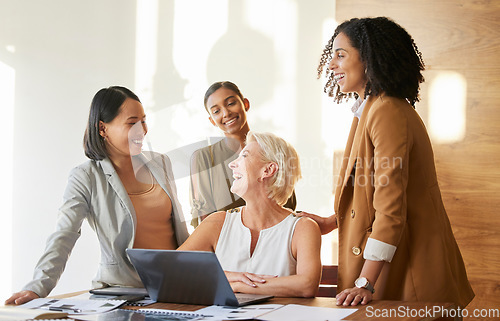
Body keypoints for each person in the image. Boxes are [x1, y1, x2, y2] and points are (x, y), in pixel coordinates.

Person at [300, 17, 474, 307]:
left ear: (367, 59)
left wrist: (365, 282)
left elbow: (391, 208)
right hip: (396, 267)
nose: (331, 65)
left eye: (340, 55)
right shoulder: (371, 109)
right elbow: (372, 189)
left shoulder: (386, 111)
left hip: (410, 277)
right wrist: (334, 221)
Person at [6, 86, 189, 305]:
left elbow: (177, 229)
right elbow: (64, 235)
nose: (142, 130)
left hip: (175, 287)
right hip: (123, 294)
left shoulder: (160, 163)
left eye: (144, 120)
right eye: (132, 123)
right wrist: (37, 287)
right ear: (103, 128)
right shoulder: (85, 176)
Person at [179, 132, 321, 297]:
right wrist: (226, 277)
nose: (232, 164)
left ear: (268, 170)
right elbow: (171, 268)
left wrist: (238, 286)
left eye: (244, 156)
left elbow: (306, 285)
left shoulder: (303, 228)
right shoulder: (217, 222)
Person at [189, 81, 296, 227]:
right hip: (225, 247)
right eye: (216, 111)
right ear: (212, 121)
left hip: (275, 243)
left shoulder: (274, 149)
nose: (226, 113)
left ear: (245, 104)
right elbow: (205, 223)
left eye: (231, 103)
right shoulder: (203, 158)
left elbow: (287, 206)